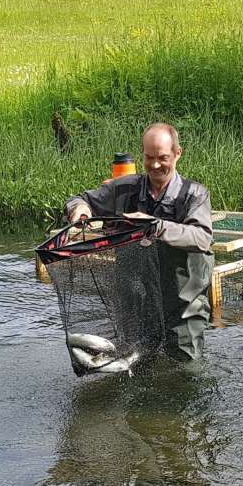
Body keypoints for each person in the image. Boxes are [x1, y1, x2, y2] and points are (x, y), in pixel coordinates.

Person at [63, 122, 213, 361]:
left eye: (162, 158)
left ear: (177, 153)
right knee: (138, 365)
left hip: (182, 309)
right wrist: (81, 210)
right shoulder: (124, 189)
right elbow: (80, 199)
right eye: (148, 157)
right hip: (136, 307)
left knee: (184, 372)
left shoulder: (194, 194)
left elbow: (202, 237)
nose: (154, 165)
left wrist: (157, 226)